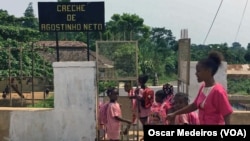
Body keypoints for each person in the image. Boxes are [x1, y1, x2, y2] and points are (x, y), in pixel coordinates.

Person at [167, 51, 233, 125]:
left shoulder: (218, 91)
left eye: (198, 71)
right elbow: (195, 105)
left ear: (208, 71)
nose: (196, 74)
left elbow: (227, 113)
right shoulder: (203, 87)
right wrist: (174, 113)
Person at [129, 74, 154, 141]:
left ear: (140, 80)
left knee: (145, 123)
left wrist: (135, 96)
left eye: (138, 79)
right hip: (146, 108)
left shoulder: (140, 90)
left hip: (141, 109)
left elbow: (141, 99)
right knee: (145, 122)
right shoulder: (147, 89)